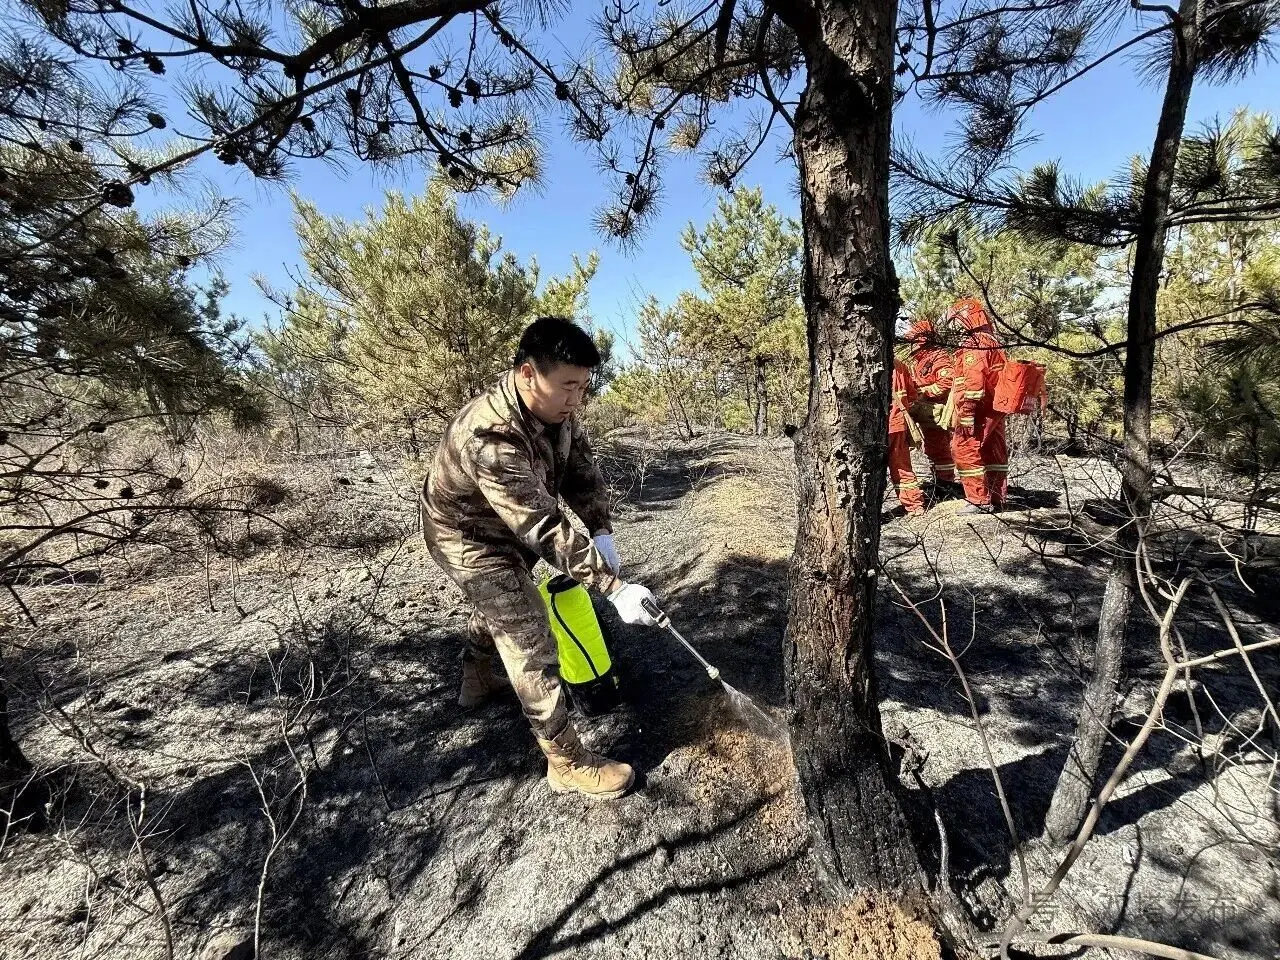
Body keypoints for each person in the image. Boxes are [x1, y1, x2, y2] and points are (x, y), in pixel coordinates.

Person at [420, 317, 657, 800]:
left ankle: (478, 676)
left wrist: (600, 528)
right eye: (568, 386)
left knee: (503, 607)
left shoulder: (555, 411)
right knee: (528, 632)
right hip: (467, 537)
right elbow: (541, 526)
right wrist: (611, 586)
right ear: (529, 373)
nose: (577, 399)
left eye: (584, 387)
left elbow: (579, 470)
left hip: (510, 525)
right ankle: (565, 760)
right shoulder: (489, 435)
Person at [946, 297, 1008, 513]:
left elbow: (974, 381)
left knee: (964, 447)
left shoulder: (974, 343)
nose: (955, 329)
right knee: (993, 450)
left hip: (978, 408)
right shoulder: (991, 341)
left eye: (956, 322)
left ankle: (978, 500)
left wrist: (967, 413)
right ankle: (997, 496)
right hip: (995, 406)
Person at [904, 316, 959, 494]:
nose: (910, 344)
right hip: (927, 411)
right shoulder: (920, 360)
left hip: (938, 411)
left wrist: (922, 393)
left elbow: (947, 381)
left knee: (940, 448)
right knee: (932, 448)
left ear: (922, 339)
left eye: (913, 340)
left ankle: (946, 484)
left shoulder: (937, 357)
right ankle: (939, 480)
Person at [888, 358, 926, 516]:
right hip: (898, 423)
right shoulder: (899, 364)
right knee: (902, 467)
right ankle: (915, 506)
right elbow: (912, 395)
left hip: (884, 425)